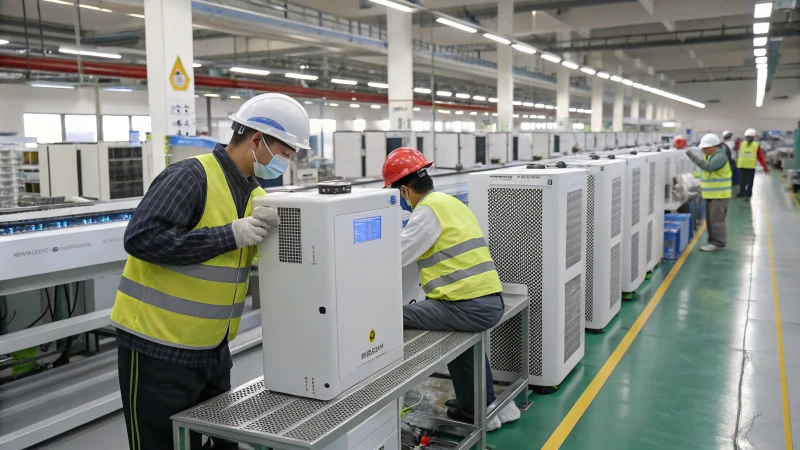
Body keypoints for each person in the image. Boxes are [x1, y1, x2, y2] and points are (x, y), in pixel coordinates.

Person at [110, 93, 310, 450]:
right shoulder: (191, 176)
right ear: (256, 140)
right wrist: (229, 234)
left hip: (213, 348)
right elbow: (142, 239)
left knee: (223, 441)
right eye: (284, 152)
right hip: (159, 347)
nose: (286, 162)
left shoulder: (256, 194)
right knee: (160, 444)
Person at [383, 148, 519, 430]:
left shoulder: (426, 212)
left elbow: (394, 256)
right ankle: (480, 405)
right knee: (461, 338)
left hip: (466, 306)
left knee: (387, 316)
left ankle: (394, 397)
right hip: (487, 303)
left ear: (405, 191)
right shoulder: (449, 202)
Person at [684, 133, 732, 252]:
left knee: (717, 220)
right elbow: (706, 173)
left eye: (705, 148)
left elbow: (707, 167)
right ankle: (713, 241)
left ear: (714, 146)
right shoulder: (710, 156)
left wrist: (691, 155)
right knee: (711, 220)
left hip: (719, 195)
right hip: (711, 195)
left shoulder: (720, 157)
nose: (704, 150)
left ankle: (719, 243)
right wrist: (689, 176)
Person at [737, 128, 770, 200]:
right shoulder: (741, 144)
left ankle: (748, 195)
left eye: (750, 137)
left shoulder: (754, 145)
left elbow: (760, 157)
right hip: (742, 165)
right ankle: (742, 192)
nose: (749, 138)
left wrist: (765, 166)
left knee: (749, 181)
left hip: (749, 166)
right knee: (742, 181)